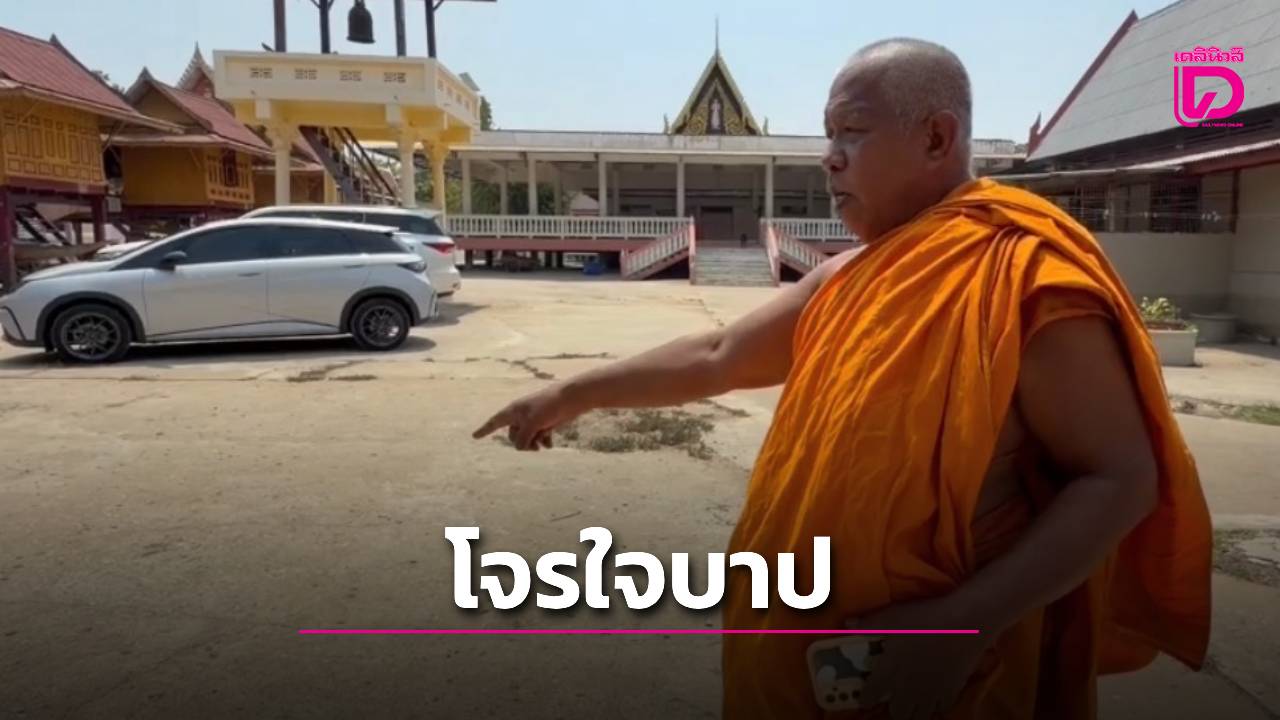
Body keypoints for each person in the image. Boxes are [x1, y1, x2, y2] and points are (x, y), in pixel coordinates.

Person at [473, 38, 1212, 719]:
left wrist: (964, 624)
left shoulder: (1020, 275)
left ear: (937, 138)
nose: (829, 159)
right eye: (828, 135)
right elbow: (719, 353)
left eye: (851, 132)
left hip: (939, 674)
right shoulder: (846, 276)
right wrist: (570, 393)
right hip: (805, 659)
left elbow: (1119, 479)